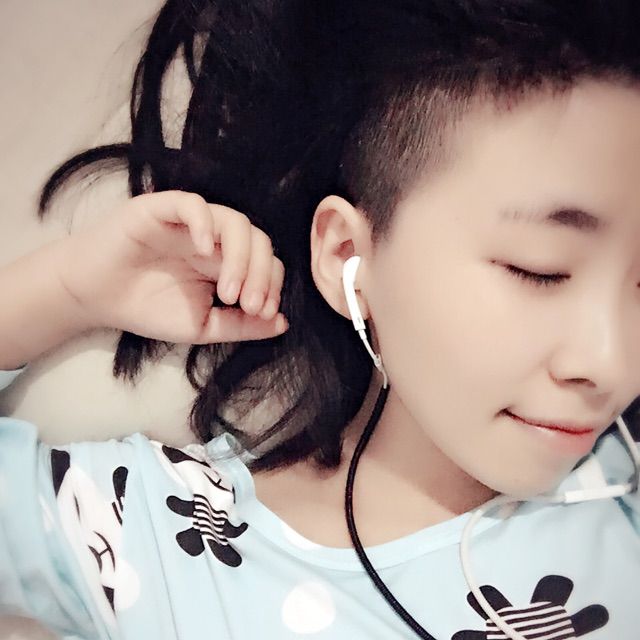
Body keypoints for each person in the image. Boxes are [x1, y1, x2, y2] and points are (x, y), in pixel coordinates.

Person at [2, 1, 640, 638]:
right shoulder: (164, 542)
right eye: (540, 270)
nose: (611, 364)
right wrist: (68, 289)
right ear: (346, 258)